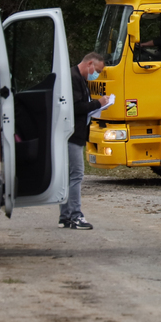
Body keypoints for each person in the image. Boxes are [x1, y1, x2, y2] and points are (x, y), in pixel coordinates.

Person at [59, 52, 108, 230]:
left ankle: (65, 216)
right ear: (89, 64)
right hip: (73, 134)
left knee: (68, 176)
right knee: (77, 174)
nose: (97, 74)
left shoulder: (78, 78)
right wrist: (99, 103)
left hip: (74, 133)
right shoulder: (74, 78)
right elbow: (76, 107)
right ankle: (75, 216)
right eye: (97, 70)